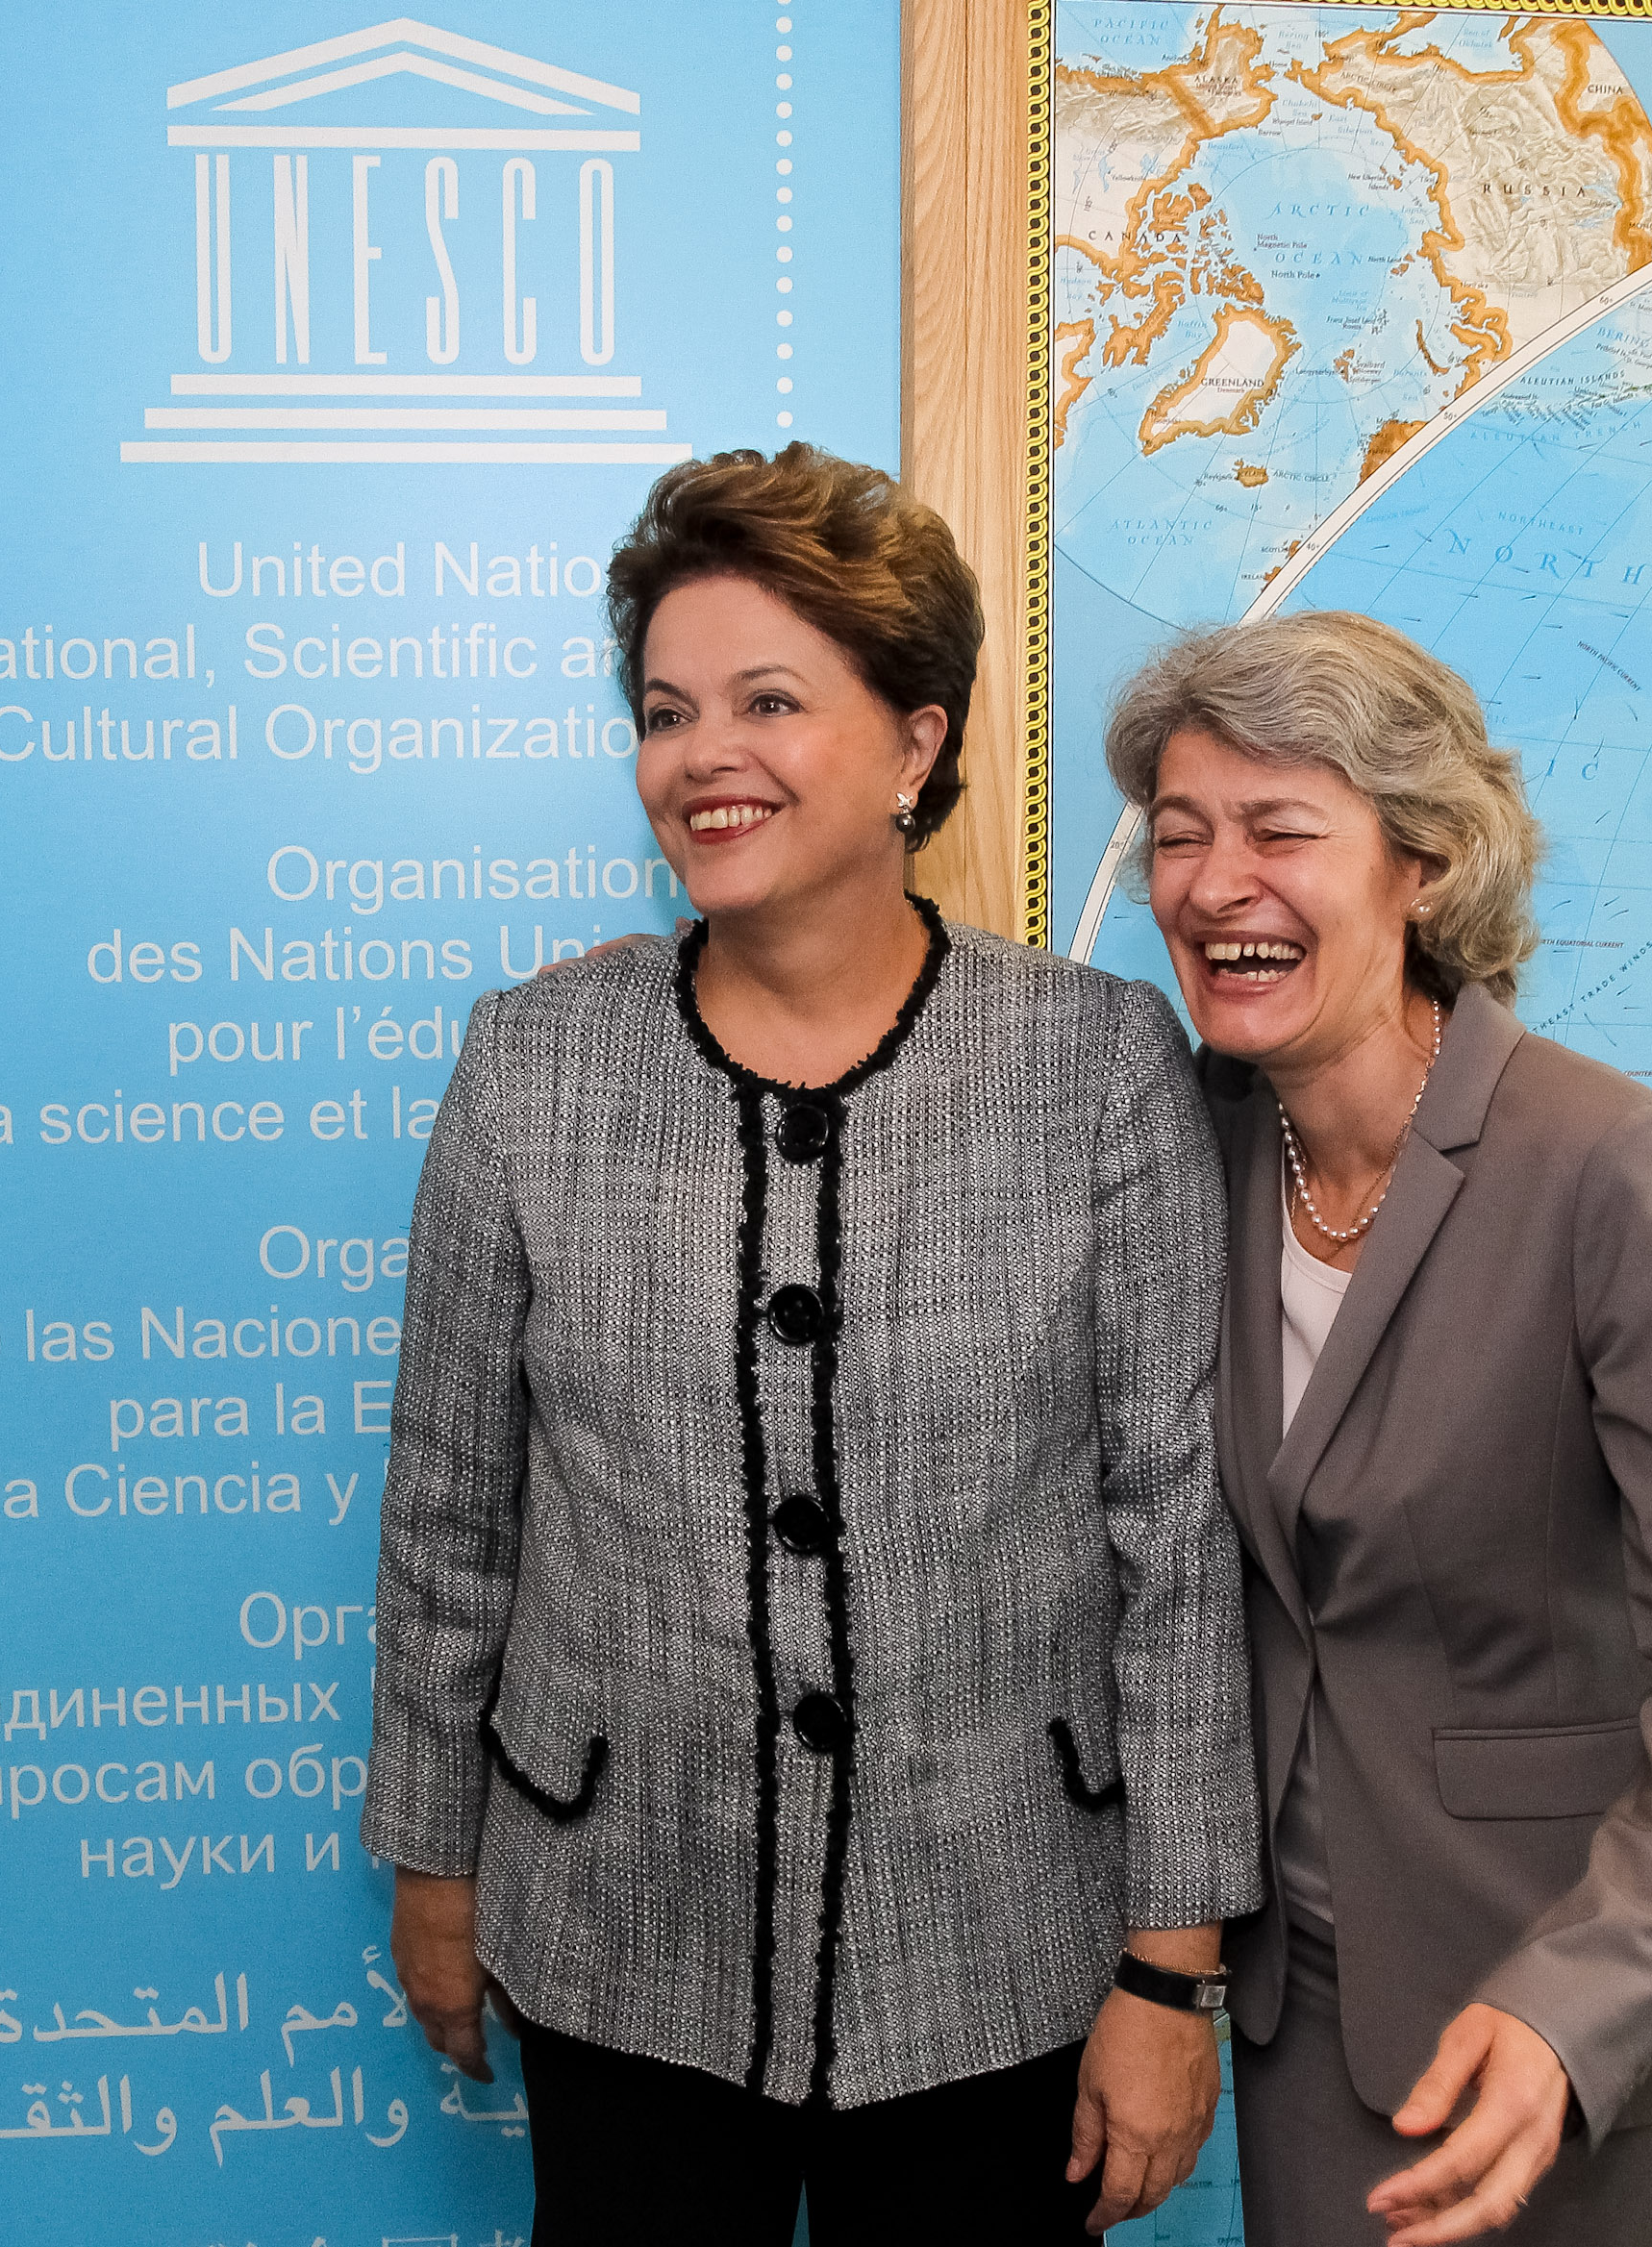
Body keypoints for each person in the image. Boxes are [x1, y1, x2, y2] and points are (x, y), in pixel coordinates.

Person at [363, 445, 1261, 2246]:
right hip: (614, 1926)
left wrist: (1173, 1966)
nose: (704, 754)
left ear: (915, 741)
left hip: (1001, 1950)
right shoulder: (532, 1063)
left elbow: (1173, 1545)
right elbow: (451, 1516)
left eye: (769, 700)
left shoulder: (1097, 1066)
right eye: (666, 710)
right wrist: (435, 1865)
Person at [1109, 614, 1652, 2247]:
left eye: (1279, 830)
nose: (1215, 884)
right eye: (1179, 835)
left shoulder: (1605, 1164)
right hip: (1312, 2020)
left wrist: (1572, 2003)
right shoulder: (1187, 1154)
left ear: (1423, 867)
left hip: (1592, 2026)